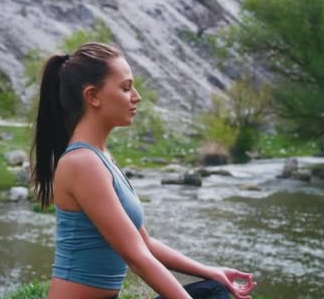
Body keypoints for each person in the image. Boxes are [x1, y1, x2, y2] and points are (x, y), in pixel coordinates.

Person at [30, 42, 257, 299]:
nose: (136, 96)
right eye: (126, 88)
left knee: (214, 289)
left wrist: (211, 271)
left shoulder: (100, 157)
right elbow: (136, 257)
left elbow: (144, 244)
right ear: (93, 96)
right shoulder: (82, 163)